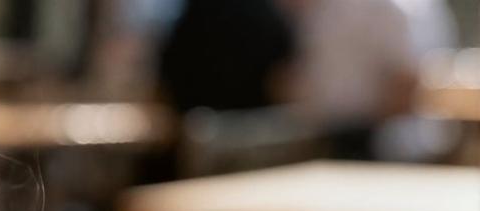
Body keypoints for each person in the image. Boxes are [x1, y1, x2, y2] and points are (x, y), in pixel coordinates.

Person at [287, 0, 455, 158]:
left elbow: (407, 84)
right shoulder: (327, 8)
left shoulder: (396, 7)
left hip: (384, 146)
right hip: (331, 137)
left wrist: (358, 127)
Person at [155, 0, 298, 116]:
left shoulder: (197, 10)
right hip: (251, 125)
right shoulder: (265, 12)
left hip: (197, 125)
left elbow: (168, 64)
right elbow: (282, 63)